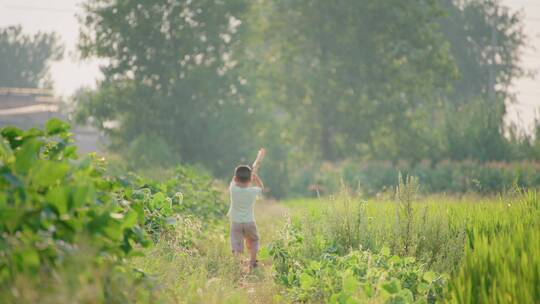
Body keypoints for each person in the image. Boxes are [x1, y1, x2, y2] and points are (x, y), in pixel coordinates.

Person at [228, 148, 265, 269]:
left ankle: (236, 263)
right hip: (249, 222)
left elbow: (234, 180)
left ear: (235, 179)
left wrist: (250, 176)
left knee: (236, 243)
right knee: (254, 240)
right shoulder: (253, 191)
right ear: (250, 180)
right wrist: (256, 177)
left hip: (236, 222)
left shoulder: (233, 190)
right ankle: (252, 262)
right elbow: (261, 187)